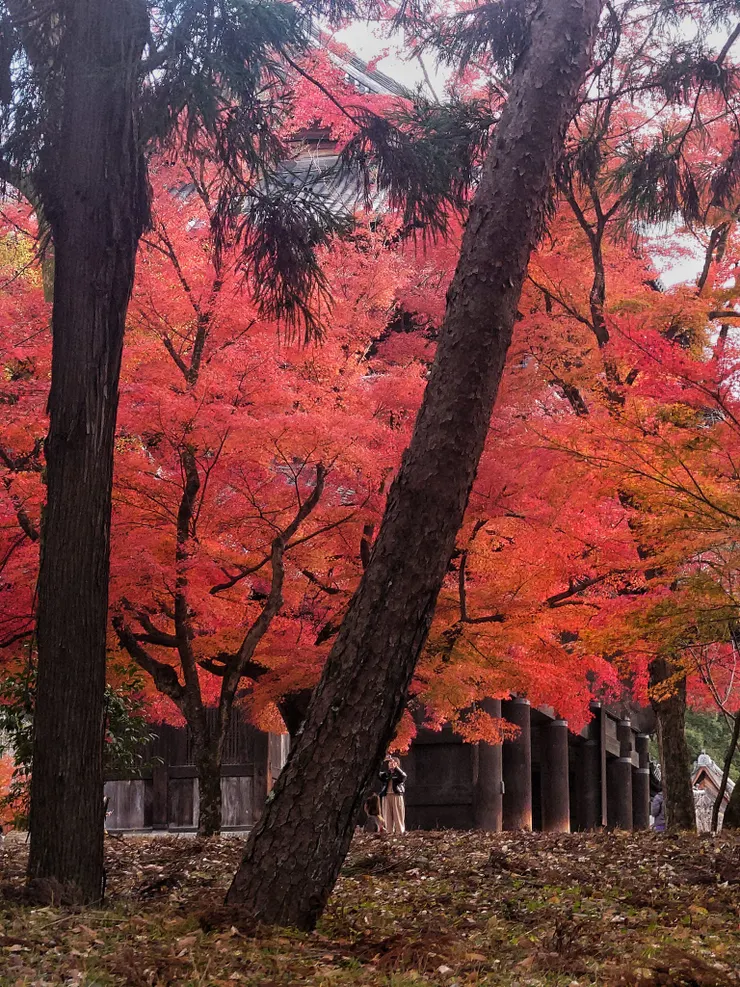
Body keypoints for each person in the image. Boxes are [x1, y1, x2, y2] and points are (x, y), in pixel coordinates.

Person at [379, 755, 407, 835]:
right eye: (389, 763)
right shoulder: (386, 774)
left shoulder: (399, 774)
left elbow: (403, 777)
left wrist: (396, 768)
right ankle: (389, 832)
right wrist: (382, 761)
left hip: (396, 795)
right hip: (387, 795)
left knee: (398, 814)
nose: (390, 764)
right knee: (387, 815)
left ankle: (400, 832)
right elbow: (379, 774)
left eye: (392, 763)